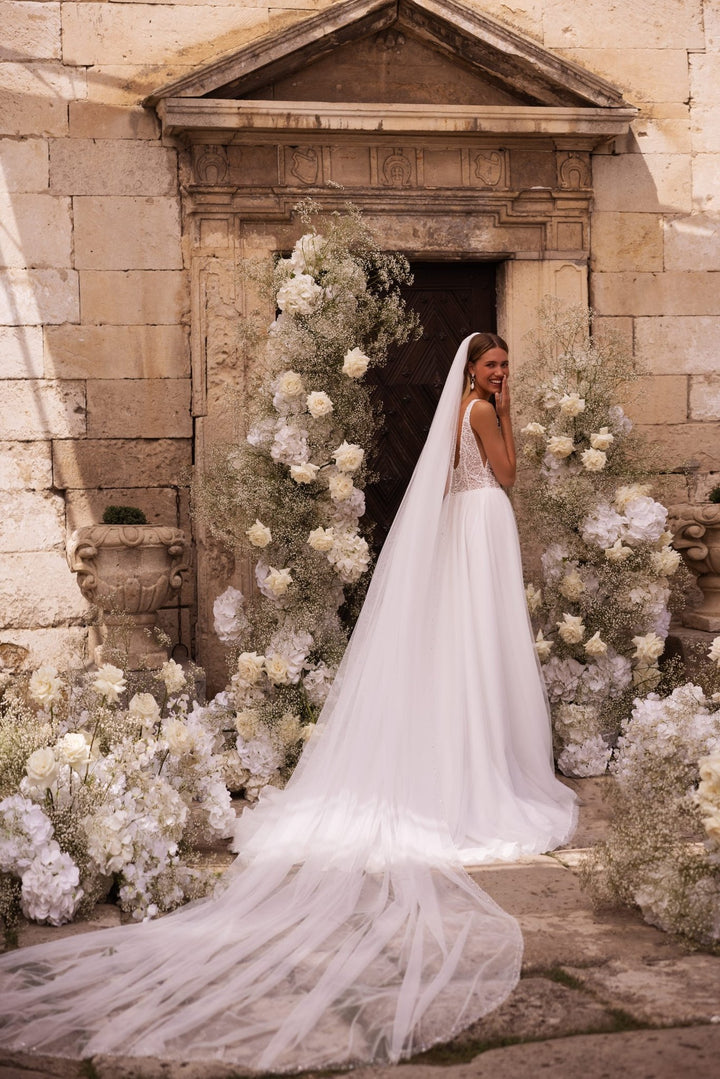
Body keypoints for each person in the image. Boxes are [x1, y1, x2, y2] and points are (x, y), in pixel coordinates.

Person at [0, 333, 576, 1072]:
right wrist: (508, 408)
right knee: (484, 648)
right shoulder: (486, 411)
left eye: (503, 367)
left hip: (468, 536)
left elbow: (439, 491)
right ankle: (485, 766)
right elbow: (507, 475)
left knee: (469, 649)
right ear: (472, 372)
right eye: (491, 366)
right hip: (484, 530)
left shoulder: (456, 408)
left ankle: (470, 752)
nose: (499, 374)